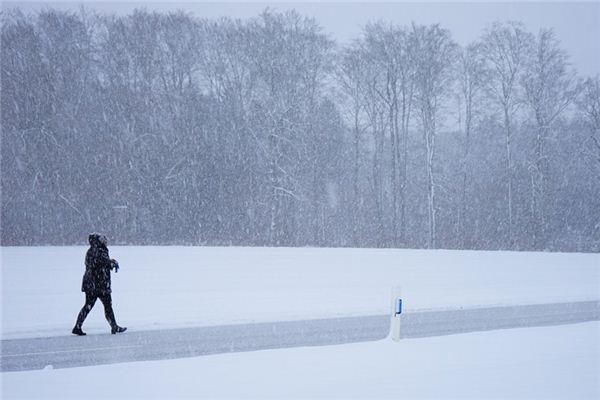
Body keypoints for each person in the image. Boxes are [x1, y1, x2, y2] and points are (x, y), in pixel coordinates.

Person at [72, 233, 127, 335]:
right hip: (98, 284)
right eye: (102, 239)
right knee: (106, 306)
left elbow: (99, 264)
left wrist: (110, 263)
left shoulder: (91, 251)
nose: (104, 241)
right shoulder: (99, 251)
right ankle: (114, 326)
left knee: (89, 306)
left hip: (92, 284)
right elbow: (103, 263)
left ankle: (78, 326)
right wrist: (112, 262)